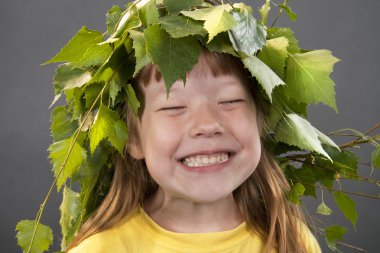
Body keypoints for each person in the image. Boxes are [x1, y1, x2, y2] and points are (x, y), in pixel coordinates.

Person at [66, 48, 322, 253]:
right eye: (173, 106)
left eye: (230, 101)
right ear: (133, 138)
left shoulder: (293, 243)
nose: (207, 124)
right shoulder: (100, 250)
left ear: (260, 121)